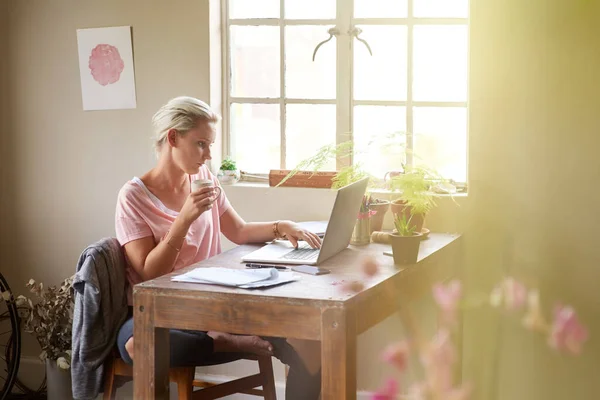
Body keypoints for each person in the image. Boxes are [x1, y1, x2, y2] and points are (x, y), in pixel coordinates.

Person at [114, 96, 322, 399]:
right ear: (173, 137)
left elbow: (238, 230)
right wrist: (184, 219)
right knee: (137, 344)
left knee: (311, 340)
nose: (208, 155)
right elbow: (148, 273)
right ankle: (229, 341)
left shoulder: (204, 179)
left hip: (214, 307)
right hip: (161, 313)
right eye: (201, 144)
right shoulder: (133, 197)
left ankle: (222, 337)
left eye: (209, 145)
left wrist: (281, 227)